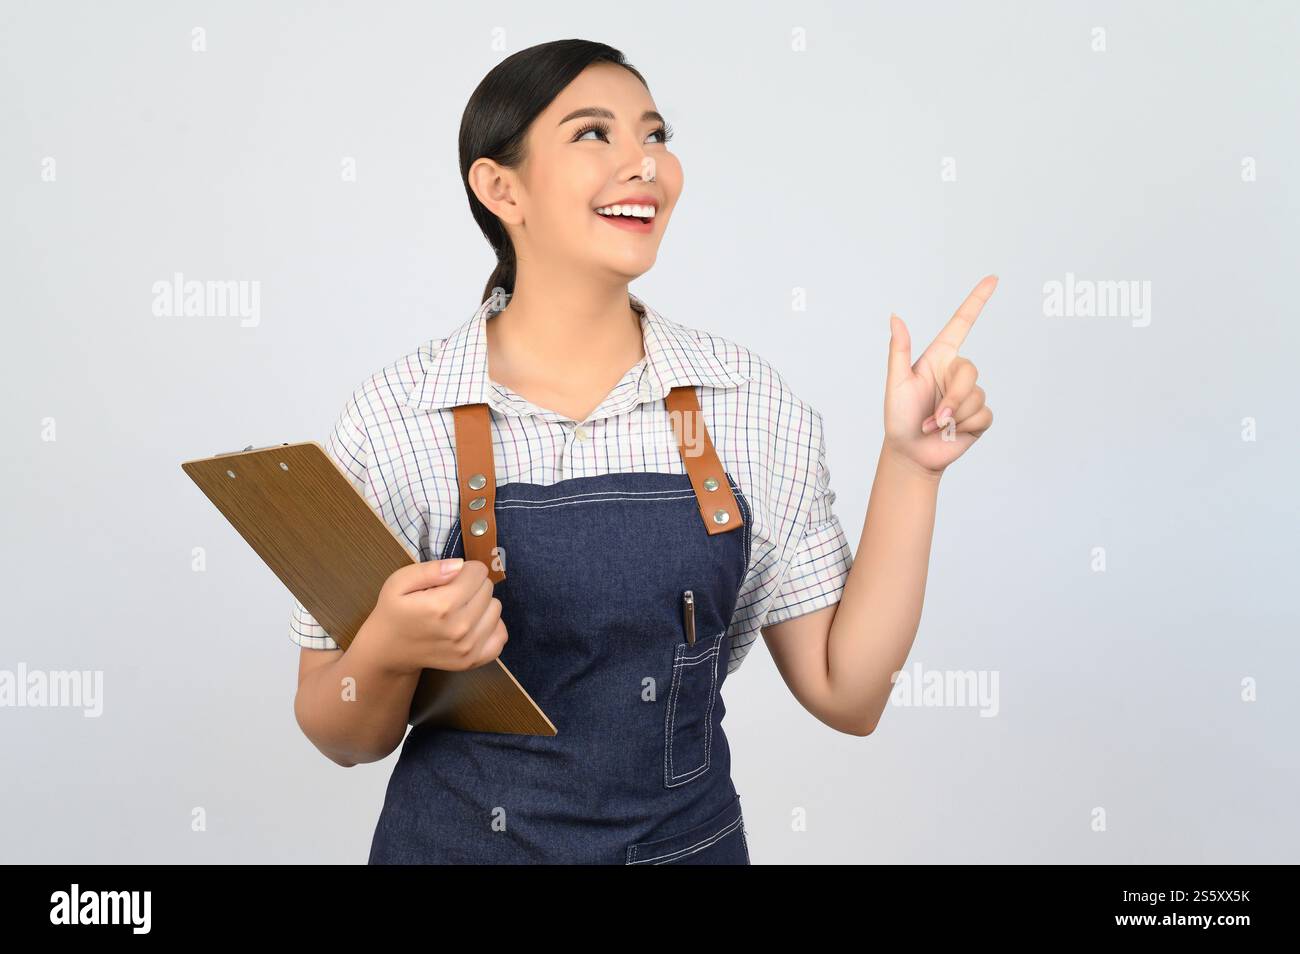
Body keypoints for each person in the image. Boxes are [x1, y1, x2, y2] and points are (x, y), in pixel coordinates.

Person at [290, 38, 995, 865]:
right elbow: (339, 731)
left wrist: (910, 465)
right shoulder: (398, 417)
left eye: (655, 136)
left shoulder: (744, 402)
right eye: (595, 134)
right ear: (500, 187)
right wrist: (387, 649)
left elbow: (849, 692)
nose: (645, 164)